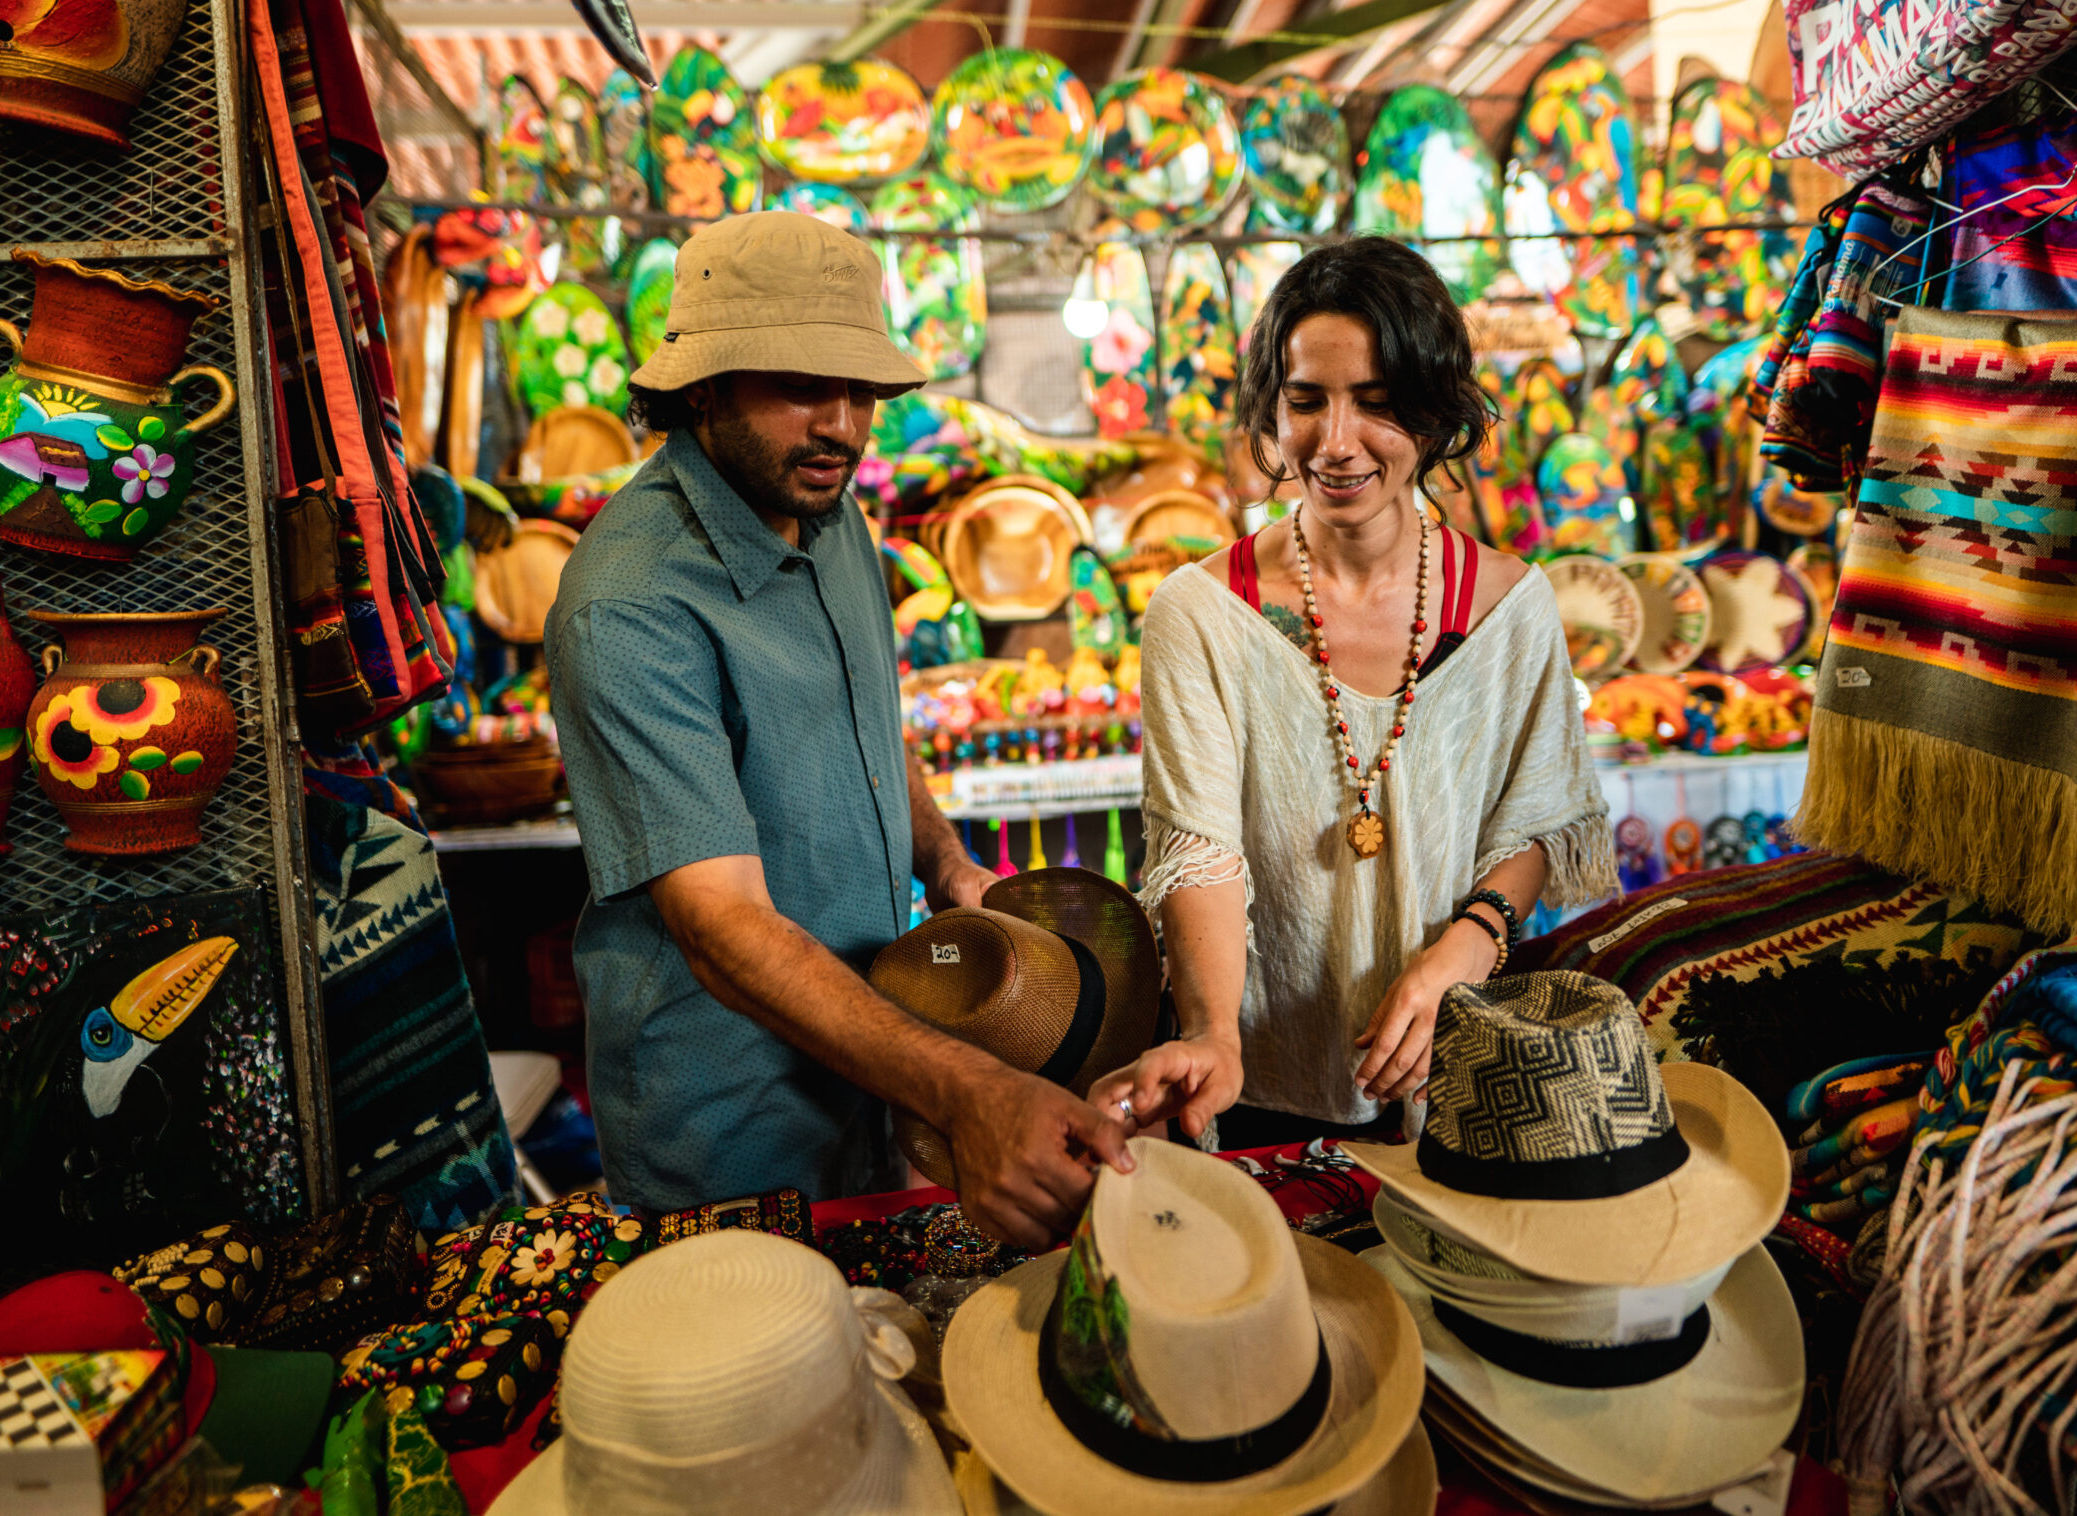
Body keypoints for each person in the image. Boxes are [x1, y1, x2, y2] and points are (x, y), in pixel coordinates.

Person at [546, 211, 1130, 1245]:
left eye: (860, 390)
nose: (844, 426)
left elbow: (867, 722)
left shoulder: (827, 509)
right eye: (803, 386)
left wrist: (948, 866)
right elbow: (721, 927)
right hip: (732, 1135)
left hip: (875, 1081)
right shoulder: (631, 603)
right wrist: (967, 1091)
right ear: (703, 386)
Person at [1093, 237, 1617, 1149]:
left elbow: (1537, 819)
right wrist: (1213, 1033)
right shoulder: (1205, 612)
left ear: (1435, 411)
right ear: (1273, 406)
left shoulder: (1508, 607)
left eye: (1377, 403)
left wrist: (1469, 944)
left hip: (1461, 1066)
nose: (1336, 444)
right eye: (1306, 401)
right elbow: (1200, 848)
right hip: (1258, 1076)